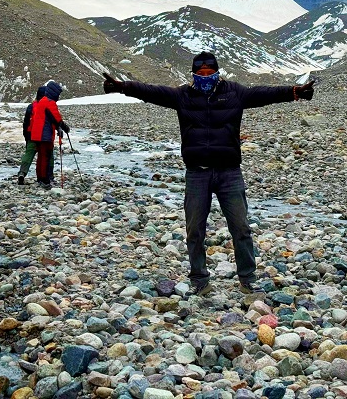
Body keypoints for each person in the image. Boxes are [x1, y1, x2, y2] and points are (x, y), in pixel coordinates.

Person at [102, 52, 314, 295]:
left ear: (217, 72)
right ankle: (199, 279)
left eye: (209, 73)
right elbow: (152, 91)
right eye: (200, 74)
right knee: (195, 229)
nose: (205, 77)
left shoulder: (235, 92)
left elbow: (265, 93)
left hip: (229, 172)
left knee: (241, 227)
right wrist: (122, 87)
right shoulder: (182, 96)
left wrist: (295, 92)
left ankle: (247, 278)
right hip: (197, 174)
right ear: (193, 74)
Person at [30, 81, 69, 189]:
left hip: (37, 134)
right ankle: (45, 180)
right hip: (44, 134)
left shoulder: (42, 101)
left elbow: (50, 118)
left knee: (41, 157)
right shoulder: (49, 102)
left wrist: (58, 127)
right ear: (54, 92)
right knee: (45, 156)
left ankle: (40, 178)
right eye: (58, 94)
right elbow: (56, 118)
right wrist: (64, 127)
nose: (59, 97)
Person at [17, 85, 48, 185]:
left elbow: (26, 123)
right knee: (44, 156)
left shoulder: (31, 107)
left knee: (29, 154)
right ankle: (43, 177)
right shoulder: (46, 106)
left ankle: (22, 173)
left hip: (31, 135)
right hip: (43, 136)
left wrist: (26, 136)